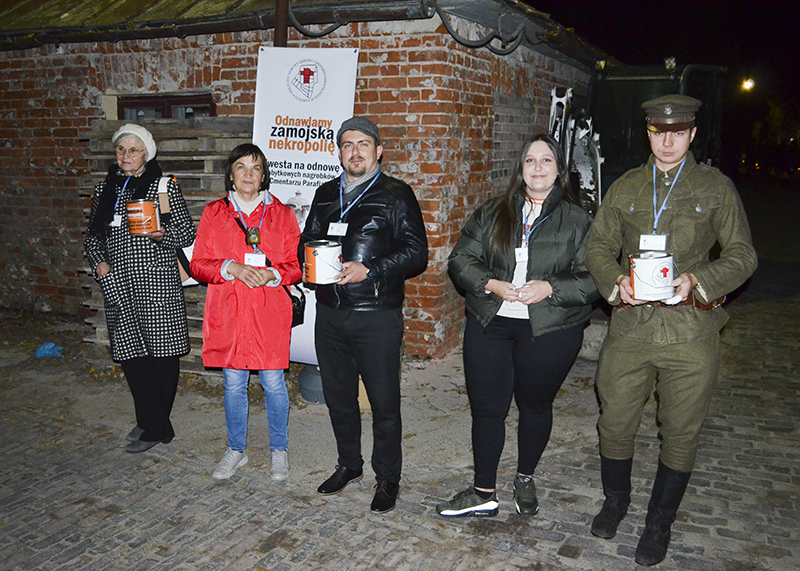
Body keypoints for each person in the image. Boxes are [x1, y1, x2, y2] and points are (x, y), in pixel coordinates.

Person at [584, 95, 757, 566]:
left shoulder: (714, 187)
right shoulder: (625, 187)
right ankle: (616, 502)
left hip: (690, 333)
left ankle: (659, 523)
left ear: (692, 134)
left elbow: (743, 255)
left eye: (677, 132)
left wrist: (698, 282)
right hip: (631, 327)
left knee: (680, 431)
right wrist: (616, 283)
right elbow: (598, 245)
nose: (667, 140)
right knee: (614, 420)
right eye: (659, 132)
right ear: (648, 133)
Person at [437, 134, 599, 518]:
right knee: (487, 409)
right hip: (490, 321)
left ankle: (525, 477)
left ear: (559, 169)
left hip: (550, 329)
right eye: (530, 161)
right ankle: (483, 491)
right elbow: (461, 259)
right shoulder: (494, 211)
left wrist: (550, 288)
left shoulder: (579, 220)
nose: (538, 168)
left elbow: (596, 278)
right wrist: (491, 283)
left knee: (535, 405)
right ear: (521, 169)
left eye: (546, 160)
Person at [300, 117, 428, 513]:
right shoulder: (325, 193)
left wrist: (370, 269)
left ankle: (387, 477)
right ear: (339, 151)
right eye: (347, 145)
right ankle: (349, 465)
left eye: (363, 144)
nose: (355, 152)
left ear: (378, 150)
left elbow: (416, 252)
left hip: (376, 314)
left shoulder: (396, 194)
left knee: (384, 402)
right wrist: (310, 263)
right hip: (331, 313)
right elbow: (307, 240)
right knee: (339, 398)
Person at [190, 143, 301, 482]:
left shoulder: (281, 214)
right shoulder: (214, 212)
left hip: (268, 309)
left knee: (273, 382)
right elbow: (197, 265)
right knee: (234, 383)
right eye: (241, 167)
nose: (248, 174)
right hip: (230, 309)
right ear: (232, 174)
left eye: (255, 168)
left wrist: (273, 273)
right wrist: (231, 267)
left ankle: (278, 451)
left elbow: (297, 266)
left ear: (264, 174)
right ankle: (236, 450)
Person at [84, 123, 195, 453]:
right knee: (131, 356)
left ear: (146, 153)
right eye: (121, 149)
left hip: (156, 282)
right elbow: (93, 236)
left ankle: (154, 425)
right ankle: (154, 421)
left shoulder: (163, 187)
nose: (126, 155)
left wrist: (162, 235)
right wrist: (100, 264)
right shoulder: (105, 189)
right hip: (118, 282)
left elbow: (186, 234)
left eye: (133, 150)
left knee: (162, 355)